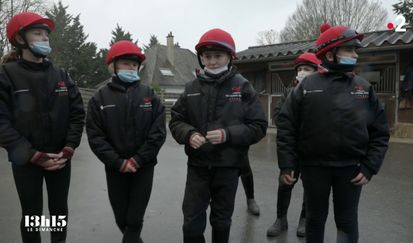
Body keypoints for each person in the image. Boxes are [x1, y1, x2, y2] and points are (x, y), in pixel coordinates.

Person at [276, 23, 390, 243]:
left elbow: (380, 132)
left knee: (347, 222)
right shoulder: (306, 86)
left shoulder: (363, 88)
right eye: (349, 50)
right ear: (330, 54)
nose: (355, 55)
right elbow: (287, 126)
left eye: (356, 50)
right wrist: (287, 164)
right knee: (315, 219)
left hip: (351, 170)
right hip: (313, 168)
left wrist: (369, 167)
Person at [169, 28, 267, 243]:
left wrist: (228, 134)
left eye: (217, 56)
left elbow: (259, 125)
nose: (212, 61)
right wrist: (188, 134)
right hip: (198, 166)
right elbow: (176, 120)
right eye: (207, 57)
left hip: (228, 166)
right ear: (201, 58)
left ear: (229, 58)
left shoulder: (242, 86)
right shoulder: (191, 87)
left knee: (221, 222)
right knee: (191, 223)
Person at [0, 12, 85, 243]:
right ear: (19, 39)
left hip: (60, 159)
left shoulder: (61, 75)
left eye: (46, 34)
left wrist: (68, 148)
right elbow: (2, 123)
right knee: (32, 215)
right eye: (37, 33)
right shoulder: (6, 76)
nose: (45, 38)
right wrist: (34, 155)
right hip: (26, 161)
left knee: (58, 213)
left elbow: (77, 114)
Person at [86, 40, 166, 243]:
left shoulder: (150, 96)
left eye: (134, 64)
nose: (131, 68)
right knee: (121, 218)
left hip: (144, 167)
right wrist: (118, 162)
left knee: (134, 218)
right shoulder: (99, 99)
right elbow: (96, 136)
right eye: (125, 63)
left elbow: (157, 133)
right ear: (113, 66)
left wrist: (138, 160)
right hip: (115, 168)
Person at [267, 52, 321, 237]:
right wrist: (291, 125)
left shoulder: (321, 91)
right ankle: (280, 219)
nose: (302, 72)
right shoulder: (289, 92)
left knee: (310, 186)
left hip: (312, 149)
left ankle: (304, 219)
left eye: (307, 69)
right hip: (291, 148)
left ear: (316, 71)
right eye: (299, 69)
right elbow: (278, 115)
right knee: (285, 183)